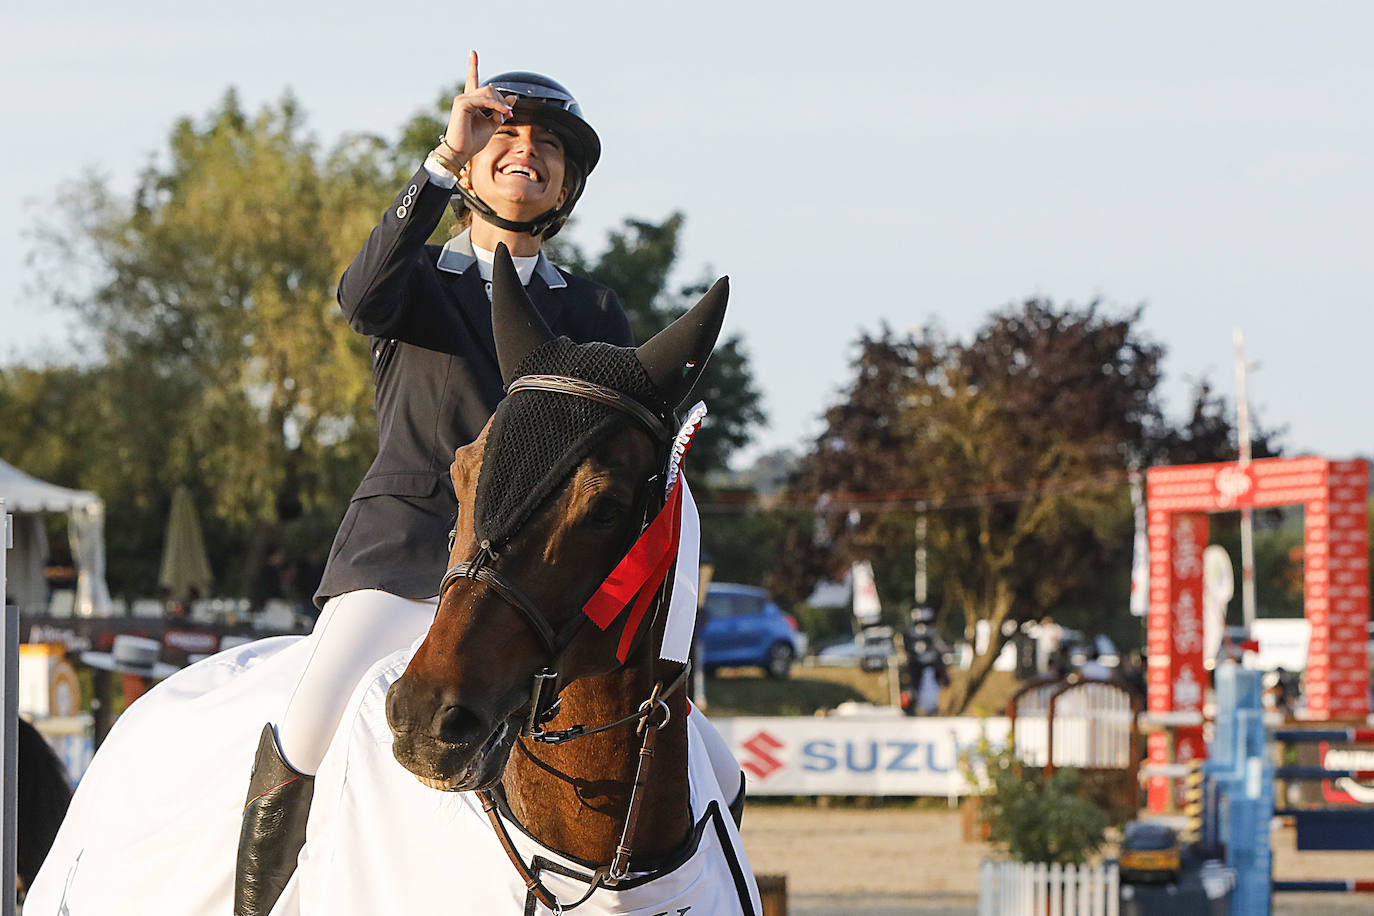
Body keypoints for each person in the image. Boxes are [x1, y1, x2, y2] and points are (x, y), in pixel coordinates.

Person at [233, 53, 632, 916]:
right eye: (505, 135)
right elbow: (356, 292)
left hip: (528, 584)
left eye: (549, 146)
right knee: (312, 722)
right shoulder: (416, 282)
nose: (527, 151)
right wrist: (440, 160)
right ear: (473, 162)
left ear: (565, 186)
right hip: (404, 552)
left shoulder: (594, 315)